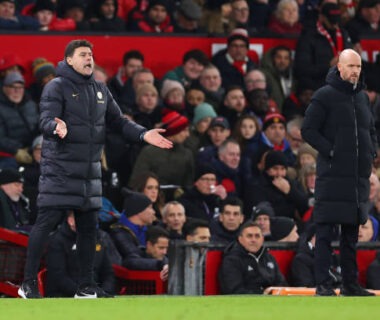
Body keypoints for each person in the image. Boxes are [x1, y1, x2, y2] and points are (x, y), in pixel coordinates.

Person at [18, 39, 173, 299]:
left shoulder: (100, 89)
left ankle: (85, 286)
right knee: (45, 225)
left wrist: (143, 134)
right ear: (69, 60)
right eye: (82, 54)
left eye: (90, 54)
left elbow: (119, 121)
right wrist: (55, 127)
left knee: (90, 228)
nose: (89, 58)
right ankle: (28, 283)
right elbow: (45, 119)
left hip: (90, 174)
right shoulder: (56, 87)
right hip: (61, 170)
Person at [301, 49, 377, 296]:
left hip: (357, 179)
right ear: (339, 68)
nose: (355, 70)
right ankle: (323, 284)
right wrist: (331, 151)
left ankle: (350, 284)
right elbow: (308, 130)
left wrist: (372, 151)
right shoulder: (324, 95)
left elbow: (370, 129)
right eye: (351, 66)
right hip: (332, 177)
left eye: (358, 66)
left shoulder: (363, 98)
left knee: (350, 236)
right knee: (324, 232)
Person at [45, 211, 116, 297]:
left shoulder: (98, 238)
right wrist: (84, 293)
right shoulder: (57, 241)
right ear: (70, 221)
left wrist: (104, 292)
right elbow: (58, 276)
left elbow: (108, 273)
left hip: (95, 294)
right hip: (64, 295)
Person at [218, 221, 287, 294]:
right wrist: (263, 293)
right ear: (240, 239)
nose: (253, 240)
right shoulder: (232, 260)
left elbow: (282, 284)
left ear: (262, 239)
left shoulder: (269, 258)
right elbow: (234, 290)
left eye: (257, 236)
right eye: (249, 236)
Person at [0, 72, 39, 169]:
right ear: (4, 88)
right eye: (13, 87)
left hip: (35, 148)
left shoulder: (31, 105)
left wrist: (38, 144)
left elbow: (41, 126)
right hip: (10, 154)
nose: (17, 91)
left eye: (20, 87)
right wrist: (16, 150)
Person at [0, 167, 32, 233]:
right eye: (17, 185)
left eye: (22, 186)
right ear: (3, 185)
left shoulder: (19, 201)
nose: (21, 189)